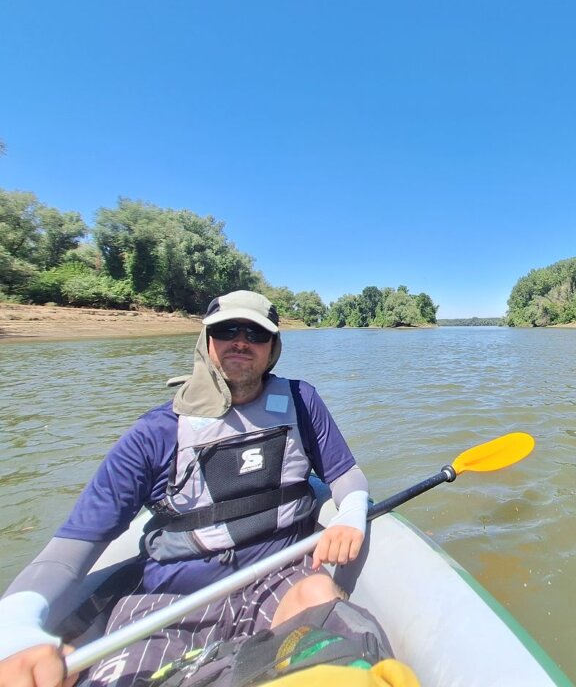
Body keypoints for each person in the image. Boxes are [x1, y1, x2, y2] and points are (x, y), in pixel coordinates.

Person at [0, 290, 370, 687]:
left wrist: (350, 515)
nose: (241, 341)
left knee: (323, 603)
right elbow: (67, 553)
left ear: (273, 347)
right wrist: (16, 627)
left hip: (279, 579)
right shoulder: (154, 433)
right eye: (227, 330)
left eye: (255, 333)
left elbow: (344, 475)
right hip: (170, 603)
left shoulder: (301, 401)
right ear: (207, 340)